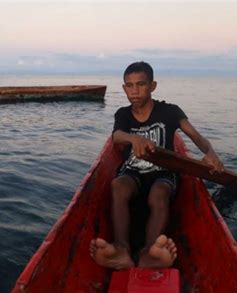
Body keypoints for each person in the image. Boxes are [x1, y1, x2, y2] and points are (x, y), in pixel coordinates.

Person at [89, 61, 224, 270]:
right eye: (129, 85)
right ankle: (121, 250)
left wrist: (211, 154)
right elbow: (117, 136)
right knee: (118, 186)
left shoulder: (169, 111)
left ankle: (149, 253)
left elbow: (197, 137)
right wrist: (134, 139)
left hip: (163, 172)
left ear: (152, 86)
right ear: (124, 88)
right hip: (133, 170)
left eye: (141, 84)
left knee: (158, 192)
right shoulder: (123, 114)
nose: (135, 91)